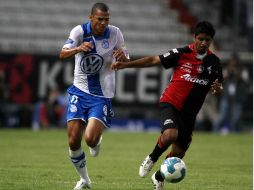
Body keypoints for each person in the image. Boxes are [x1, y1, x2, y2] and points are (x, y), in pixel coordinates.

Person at [111, 21, 223, 190]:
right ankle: (152, 157)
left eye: (207, 40)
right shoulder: (182, 53)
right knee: (170, 134)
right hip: (171, 102)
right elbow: (153, 59)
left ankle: (158, 177)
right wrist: (126, 65)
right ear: (194, 37)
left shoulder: (214, 63)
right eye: (201, 39)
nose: (204, 43)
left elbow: (218, 86)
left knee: (178, 155)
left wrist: (217, 89)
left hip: (190, 114)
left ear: (211, 40)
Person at [59, 2, 129, 190]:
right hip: (79, 91)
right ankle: (84, 180)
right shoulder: (79, 32)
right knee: (73, 140)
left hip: (102, 94)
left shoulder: (115, 33)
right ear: (91, 18)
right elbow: (63, 53)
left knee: (89, 139)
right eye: (100, 20)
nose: (104, 23)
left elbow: (126, 56)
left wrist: (122, 57)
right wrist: (78, 48)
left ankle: (96, 139)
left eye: (107, 20)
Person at [213, 53, 250, 134]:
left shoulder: (243, 70)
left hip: (238, 97)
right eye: (232, 61)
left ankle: (234, 133)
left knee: (235, 117)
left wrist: (236, 73)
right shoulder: (227, 69)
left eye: (235, 61)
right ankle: (214, 131)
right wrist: (229, 72)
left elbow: (246, 81)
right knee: (222, 115)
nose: (233, 63)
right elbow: (220, 79)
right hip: (226, 96)